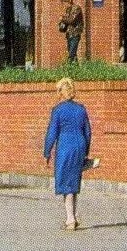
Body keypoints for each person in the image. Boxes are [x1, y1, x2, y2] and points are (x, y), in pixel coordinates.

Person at [43, 77, 92, 230]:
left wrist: (47, 152)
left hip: (65, 146)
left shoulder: (58, 110)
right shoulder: (81, 109)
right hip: (79, 145)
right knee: (74, 181)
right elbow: (88, 132)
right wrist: (86, 151)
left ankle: (70, 218)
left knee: (65, 183)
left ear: (60, 92)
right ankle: (74, 215)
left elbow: (52, 132)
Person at [58, 0, 85, 64]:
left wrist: (63, 18)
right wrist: (61, 25)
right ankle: (76, 71)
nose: (64, 5)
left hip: (75, 34)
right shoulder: (68, 10)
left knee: (71, 54)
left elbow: (71, 20)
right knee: (73, 54)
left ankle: (68, 67)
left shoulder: (76, 8)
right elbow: (67, 23)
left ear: (68, 1)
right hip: (69, 34)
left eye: (64, 3)